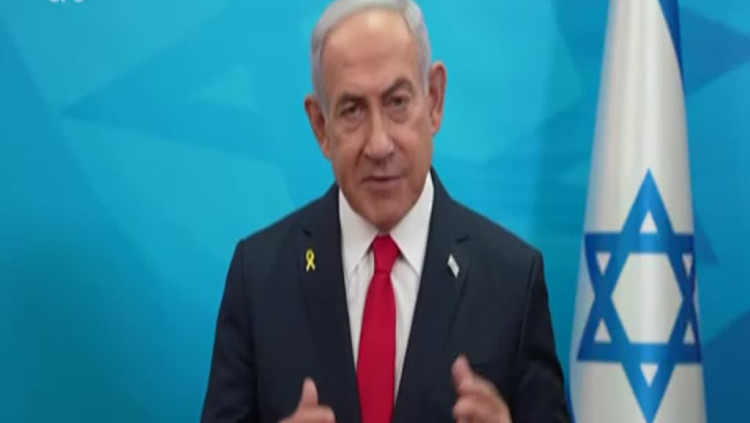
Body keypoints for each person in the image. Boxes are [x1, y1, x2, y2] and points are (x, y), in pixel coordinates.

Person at [201, 0, 570, 422]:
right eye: (352, 110)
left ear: (434, 99)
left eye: (397, 102)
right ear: (321, 126)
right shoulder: (259, 276)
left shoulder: (512, 279)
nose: (379, 144)